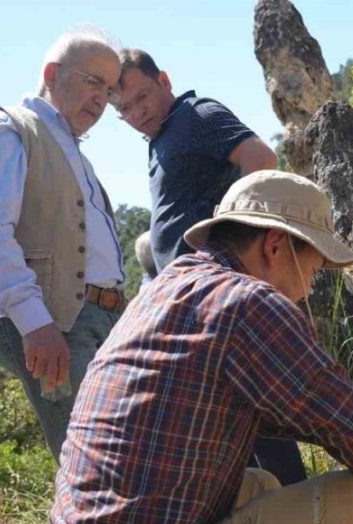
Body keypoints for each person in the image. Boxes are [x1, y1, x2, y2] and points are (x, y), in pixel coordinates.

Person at [49, 170, 353, 524]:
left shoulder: (167, 291)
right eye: (312, 267)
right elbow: (346, 418)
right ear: (274, 247)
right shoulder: (249, 303)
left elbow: (292, 410)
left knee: (259, 488)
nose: (309, 288)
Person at [111, 48, 307, 485]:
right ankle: (269, 521)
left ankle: (297, 504)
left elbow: (261, 160)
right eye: (123, 109)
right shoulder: (161, 138)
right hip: (192, 300)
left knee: (250, 405)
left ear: (164, 80)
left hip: (217, 294)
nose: (136, 112)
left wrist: (232, 242)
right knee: (227, 415)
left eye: (142, 97)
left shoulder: (194, 114)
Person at [0, 27, 126, 460]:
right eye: (94, 82)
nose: (102, 100)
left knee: (112, 457)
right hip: (55, 323)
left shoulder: (69, 147)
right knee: (94, 464)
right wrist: (36, 323)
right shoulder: (5, 127)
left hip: (96, 321)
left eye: (109, 90)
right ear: (53, 74)